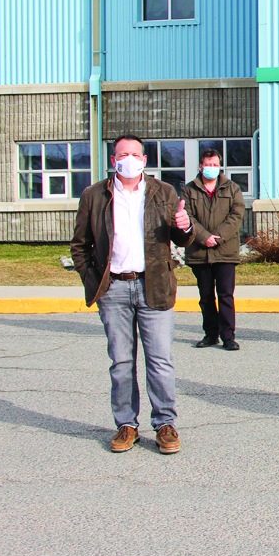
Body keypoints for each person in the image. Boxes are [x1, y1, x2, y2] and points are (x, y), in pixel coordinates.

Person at [69, 134, 194, 454]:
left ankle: (165, 423)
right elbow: (80, 246)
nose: (129, 159)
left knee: (160, 360)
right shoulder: (94, 195)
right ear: (114, 161)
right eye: (122, 154)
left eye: (135, 154)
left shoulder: (163, 192)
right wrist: (93, 281)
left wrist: (186, 226)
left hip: (154, 286)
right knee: (121, 362)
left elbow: (181, 238)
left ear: (144, 159)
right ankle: (126, 424)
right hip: (113, 289)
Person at [183, 149, 246, 351]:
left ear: (220, 166)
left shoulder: (232, 188)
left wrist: (217, 238)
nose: (211, 168)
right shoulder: (189, 190)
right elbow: (187, 216)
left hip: (225, 251)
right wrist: (204, 237)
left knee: (226, 295)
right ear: (200, 166)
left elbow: (236, 216)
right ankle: (210, 335)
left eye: (214, 164)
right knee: (206, 296)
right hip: (199, 251)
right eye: (207, 164)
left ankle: (228, 336)